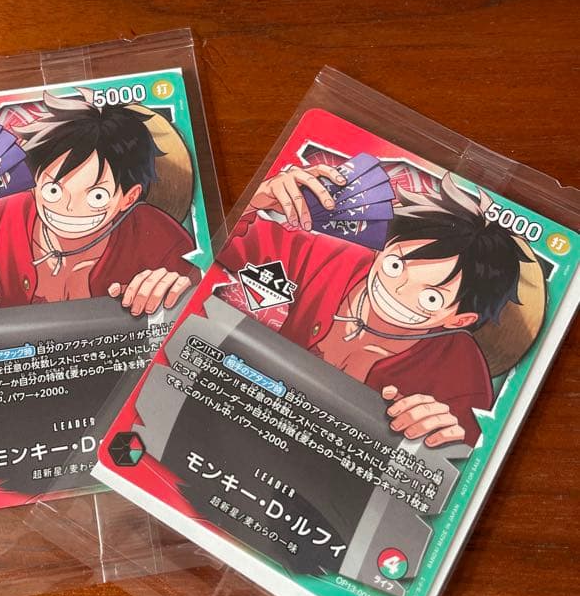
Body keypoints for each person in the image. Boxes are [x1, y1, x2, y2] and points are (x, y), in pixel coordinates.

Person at [218, 167, 530, 448]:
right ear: (384, 248)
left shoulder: (459, 366)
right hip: (242, 415)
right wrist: (257, 200)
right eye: (395, 265)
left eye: (431, 298)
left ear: (459, 319)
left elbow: (467, 449)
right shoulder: (336, 260)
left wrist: (445, 434)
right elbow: (230, 244)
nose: (397, 290)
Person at [0, 92, 199, 315]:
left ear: (128, 198)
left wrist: (175, 288)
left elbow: (198, 295)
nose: (67, 208)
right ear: (35, 181)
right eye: (54, 190)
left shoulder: (159, 239)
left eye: (97, 196)